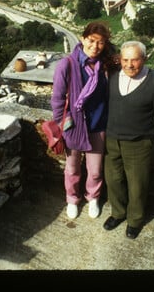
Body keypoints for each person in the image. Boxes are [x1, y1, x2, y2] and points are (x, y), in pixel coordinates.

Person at [103, 40, 154, 239]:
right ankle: (118, 213)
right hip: (112, 141)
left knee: (137, 185)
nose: (129, 65)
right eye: (125, 60)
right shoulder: (113, 77)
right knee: (113, 180)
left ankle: (135, 221)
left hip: (139, 143)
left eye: (134, 60)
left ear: (143, 59)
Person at [51, 21, 118, 220]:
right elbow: (57, 98)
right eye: (91, 40)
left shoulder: (104, 66)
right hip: (73, 127)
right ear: (82, 39)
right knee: (72, 169)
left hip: (98, 126)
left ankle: (93, 198)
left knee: (95, 171)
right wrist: (63, 124)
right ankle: (72, 199)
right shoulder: (67, 64)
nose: (95, 46)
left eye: (100, 42)